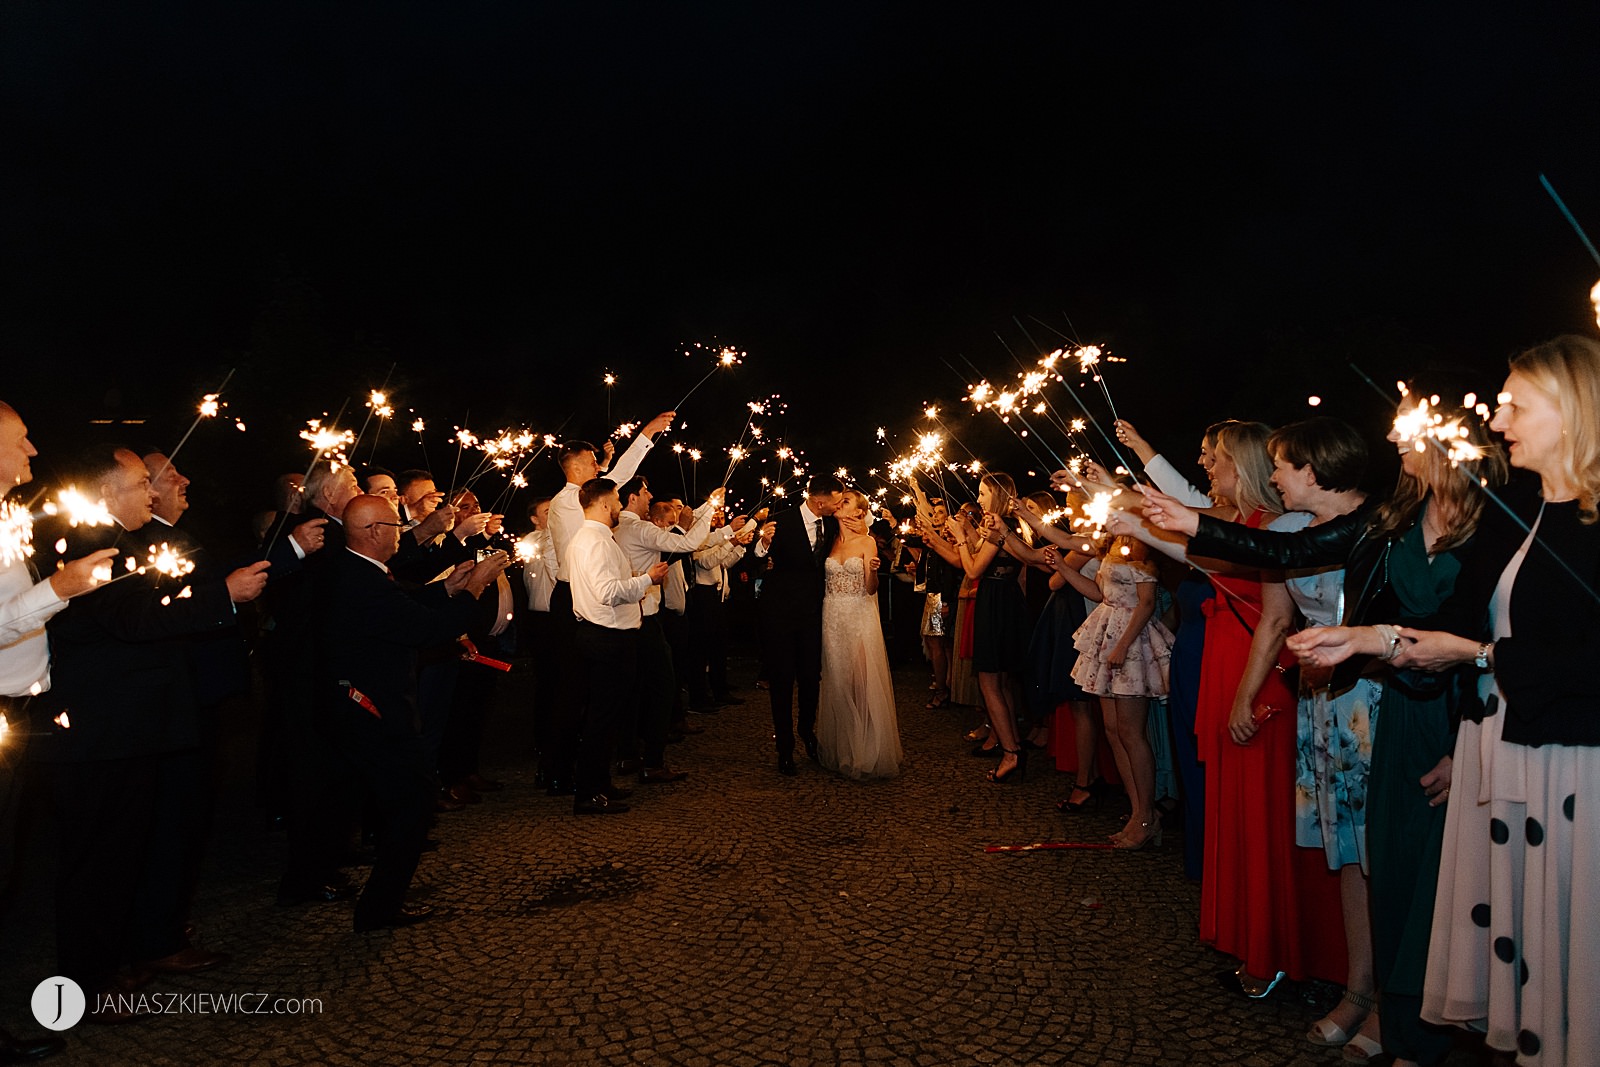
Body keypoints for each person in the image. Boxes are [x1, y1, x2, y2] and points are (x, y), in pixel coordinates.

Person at [1292, 336, 1600, 1067]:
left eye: (1518, 405)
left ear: (1576, 412)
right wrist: (1369, 638)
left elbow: (1523, 651)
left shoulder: (1584, 522)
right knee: (1530, 964)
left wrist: (1485, 657)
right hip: (1515, 754)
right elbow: (1460, 627)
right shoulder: (1531, 512)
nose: (1498, 420)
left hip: (1571, 775)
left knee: (1570, 962)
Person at [29, 446, 269, 1011]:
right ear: (108, 491)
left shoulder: (125, 542)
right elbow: (134, 620)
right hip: (100, 733)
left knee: (125, 854)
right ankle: (85, 984)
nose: (154, 493)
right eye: (142, 483)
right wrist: (223, 597)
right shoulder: (91, 544)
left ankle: (123, 956)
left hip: (133, 728)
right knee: (96, 862)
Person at [312, 494, 504, 931]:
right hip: (374, 708)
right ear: (373, 532)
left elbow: (405, 601)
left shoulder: (357, 570)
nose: (401, 533)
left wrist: (449, 588)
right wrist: (474, 589)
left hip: (358, 705)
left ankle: (339, 886)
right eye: (394, 526)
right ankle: (378, 908)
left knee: (348, 796)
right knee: (414, 801)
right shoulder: (360, 580)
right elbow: (426, 628)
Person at [0, 402, 115, 1058]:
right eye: (20, 439)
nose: (35, 449)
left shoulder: (9, 521)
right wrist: (60, 588)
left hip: (22, 719)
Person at [1062, 533, 1174, 849]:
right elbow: (1099, 593)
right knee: (1112, 730)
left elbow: (1148, 601)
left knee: (1130, 732)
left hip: (1131, 639)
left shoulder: (1141, 544)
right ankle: (1139, 811)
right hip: (1107, 632)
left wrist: (1123, 646)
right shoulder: (1111, 542)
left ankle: (1146, 818)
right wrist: (1062, 566)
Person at [565, 478, 670, 813]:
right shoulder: (593, 542)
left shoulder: (594, 539)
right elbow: (607, 593)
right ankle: (588, 793)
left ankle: (599, 783)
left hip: (608, 636)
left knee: (607, 717)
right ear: (605, 504)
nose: (621, 508)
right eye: (617, 501)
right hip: (606, 638)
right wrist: (646, 580)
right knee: (601, 718)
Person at [755, 473, 845, 776]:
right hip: (779, 615)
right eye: (836, 501)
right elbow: (753, 562)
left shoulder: (832, 524)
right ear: (819, 501)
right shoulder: (779, 521)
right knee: (781, 682)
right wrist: (762, 545)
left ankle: (808, 732)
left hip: (813, 615)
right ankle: (784, 747)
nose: (838, 506)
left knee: (810, 679)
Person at [816, 490, 901, 780]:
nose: (839, 503)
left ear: (858, 511)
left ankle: (867, 751)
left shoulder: (866, 541)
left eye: (847, 501)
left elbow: (870, 588)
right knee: (837, 682)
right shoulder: (828, 538)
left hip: (859, 614)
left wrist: (874, 571)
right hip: (832, 616)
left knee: (861, 684)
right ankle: (844, 749)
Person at [952, 473, 1031, 783]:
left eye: (984, 493)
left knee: (989, 682)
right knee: (1000, 681)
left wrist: (959, 535)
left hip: (996, 602)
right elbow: (981, 552)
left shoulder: (1000, 527)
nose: (979, 498)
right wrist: (970, 531)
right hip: (1004, 600)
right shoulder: (1004, 525)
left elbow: (972, 568)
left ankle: (1011, 751)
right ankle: (1013, 745)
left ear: (997, 495)